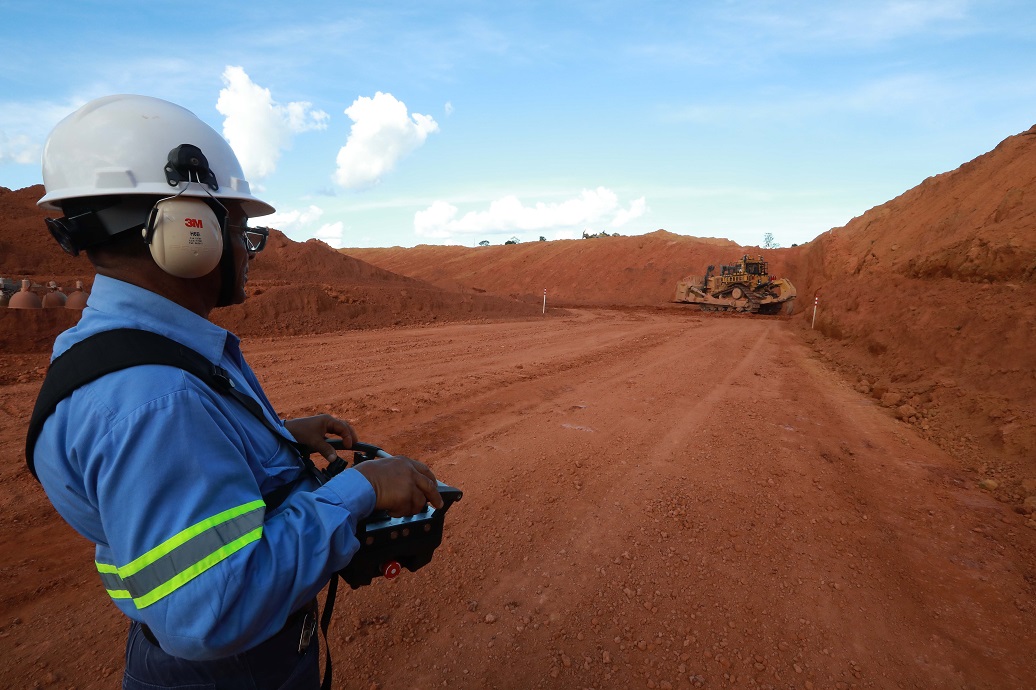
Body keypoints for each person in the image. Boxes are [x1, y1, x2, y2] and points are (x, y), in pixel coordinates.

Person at [29, 94, 443, 689]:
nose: (248, 252)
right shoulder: (157, 400)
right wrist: (362, 488)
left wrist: (272, 437)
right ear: (186, 231)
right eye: (240, 230)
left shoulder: (109, 350)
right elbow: (214, 610)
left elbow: (163, 475)